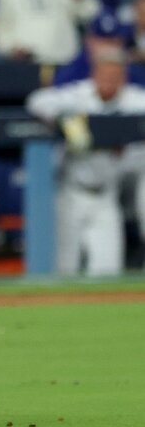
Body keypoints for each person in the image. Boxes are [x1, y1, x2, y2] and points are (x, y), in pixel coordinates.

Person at [26, 48, 145, 278]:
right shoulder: (80, 96)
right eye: (105, 75)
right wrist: (70, 123)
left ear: (123, 77)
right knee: (65, 267)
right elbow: (36, 101)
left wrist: (120, 139)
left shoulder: (133, 99)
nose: (109, 81)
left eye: (115, 76)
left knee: (108, 270)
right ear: (95, 74)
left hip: (107, 196)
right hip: (71, 193)